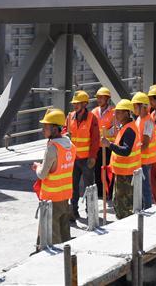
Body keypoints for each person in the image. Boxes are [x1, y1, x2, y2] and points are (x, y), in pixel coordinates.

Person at [32, 108, 75, 246]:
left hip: (52, 197)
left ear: (55, 129)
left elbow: (42, 174)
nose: (43, 129)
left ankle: (54, 262)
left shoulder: (52, 148)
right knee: (64, 231)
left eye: (46, 126)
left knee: (52, 235)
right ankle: (67, 258)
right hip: (65, 195)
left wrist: (37, 167)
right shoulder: (70, 146)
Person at [102, 99, 139, 219]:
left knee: (124, 206)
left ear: (126, 113)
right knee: (118, 202)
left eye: (118, 112)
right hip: (122, 173)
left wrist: (109, 145)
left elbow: (126, 151)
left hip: (126, 174)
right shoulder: (125, 127)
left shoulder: (129, 129)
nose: (115, 115)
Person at [65, 91, 99, 222]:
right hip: (73, 159)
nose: (75, 105)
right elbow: (65, 132)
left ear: (85, 104)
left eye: (78, 103)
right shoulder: (70, 117)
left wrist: (92, 157)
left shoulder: (92, 118)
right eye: (74, 103)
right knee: (72, 187)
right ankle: (73, 211)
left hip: (86, 160)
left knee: (89, 187)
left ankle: (90, 212)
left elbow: (95, 140)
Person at [131, 92, 156, 209]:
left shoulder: (148, 121)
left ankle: (147, 208)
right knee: (140, 186)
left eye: (136, 106)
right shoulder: (139, 120)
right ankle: (143, 207)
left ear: (143, 106)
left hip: (145, 160)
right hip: (140, 159)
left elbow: (145, 144)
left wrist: (133, 153)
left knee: (145, 187)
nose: (134, 108)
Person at [91, 87, 115, 199]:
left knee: (108, 170)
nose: (99, 99)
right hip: (97, 147)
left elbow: (114, 129)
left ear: (107, 99)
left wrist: (103, 132)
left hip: (109, 146)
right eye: (98, 97)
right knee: (97, 170)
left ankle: (109, 192)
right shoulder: (94, 112)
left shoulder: (113, 112)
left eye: (102, 97)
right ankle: (100, 192)